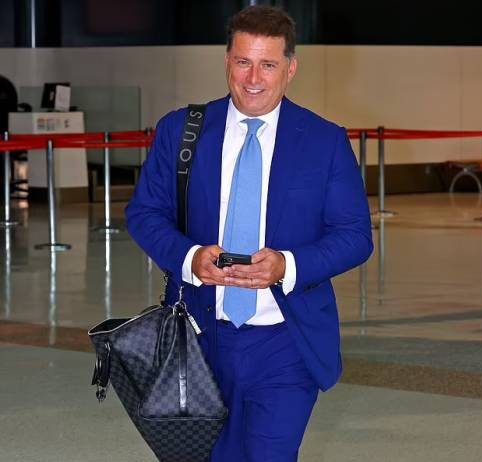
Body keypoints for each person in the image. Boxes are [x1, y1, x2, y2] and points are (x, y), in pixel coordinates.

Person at [126, 5, 373, 461]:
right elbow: (145, 214)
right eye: (243, 61)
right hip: (196, 338)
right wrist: (189, 258)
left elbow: (355, 235)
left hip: (285, 341)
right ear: (227, 61)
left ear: (290, 68)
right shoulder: (182, 131)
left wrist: (287, 265)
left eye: (268, 64)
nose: (253, 78)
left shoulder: (324, 141)